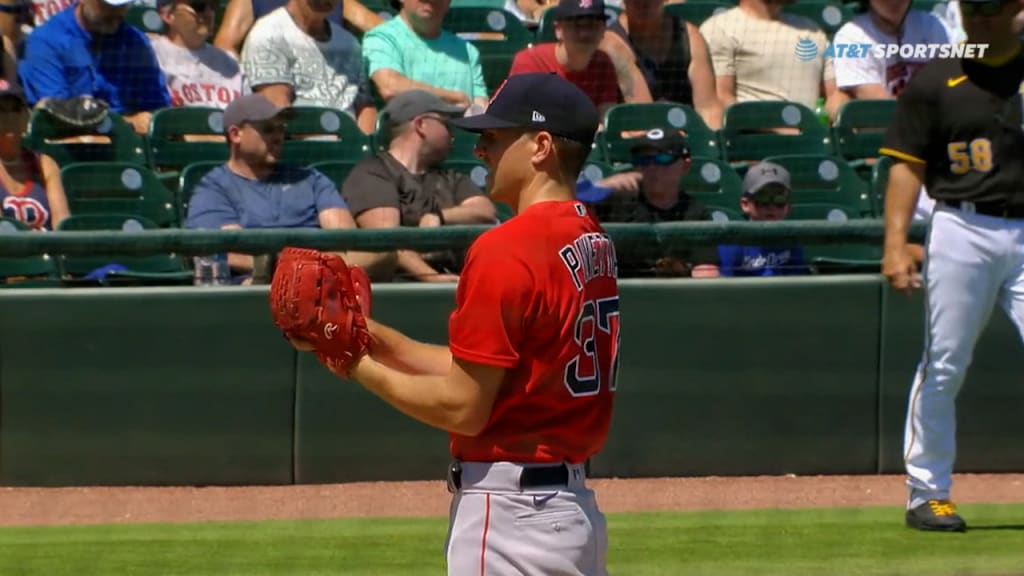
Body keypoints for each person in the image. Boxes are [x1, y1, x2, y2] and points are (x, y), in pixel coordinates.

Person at [291, 73, 617, 574]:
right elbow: (487, 367)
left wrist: (356, 364)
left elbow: (462, 406)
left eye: (493, 138)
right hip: (571, 513)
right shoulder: (592, 238)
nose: (481, 151)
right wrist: (367, 334)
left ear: (541, 146)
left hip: (511, 518)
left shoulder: (506, 247)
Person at [880, 0, 1024, 533]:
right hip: (963, 227)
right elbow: (906, 167)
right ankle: (927, 493)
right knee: (944, 363)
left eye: (993, 7)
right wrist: (895, 243)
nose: (981, 17)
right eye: (972, 7)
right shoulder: (937, 80)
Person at [186, 93, 393, 281]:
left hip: (321, 278)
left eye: (281, 129)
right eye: (267, 129)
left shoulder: (310, 179)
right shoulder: (213, 188)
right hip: (263, 287)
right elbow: (235, 254)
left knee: (385, 251)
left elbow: (345, 238)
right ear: (235, 134)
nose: (278, 137)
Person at [341, 89, 496, 283]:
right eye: (446, 124)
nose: (453, 134)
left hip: (457, 281)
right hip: (402, 290)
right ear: (421, 125)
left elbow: (485, 210)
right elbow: (388, 242)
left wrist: (438, 217)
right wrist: (433, 278)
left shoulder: (450, 177)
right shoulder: (373, 173)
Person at [582, 127, 721, 278]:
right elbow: (561, 207)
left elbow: (707, 273)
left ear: (685, 165)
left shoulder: (695, 213)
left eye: (663, 159)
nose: (652, 167)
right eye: (643, 160)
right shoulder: (617, 201)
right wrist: (601, 187)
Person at [17, 0, 171, 135]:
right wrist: (126, 123)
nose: (115, 12)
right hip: (71, 151)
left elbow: (156, 105)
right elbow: (57, 115)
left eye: (122, 5)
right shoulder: (47, 41)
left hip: (131, 149)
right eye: (105, 5)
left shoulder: (136, 42)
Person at [241, 0, 377, 133]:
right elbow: (278, 109)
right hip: (301, 148)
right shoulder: (269, 34)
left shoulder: (349, 44)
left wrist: (362, 144)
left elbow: (365, 106)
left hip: (351, 147)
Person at [508, 0, 619, 117]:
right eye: (577, 25)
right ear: (558, 30)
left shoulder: (603, 64)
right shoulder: (531, 62)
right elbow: (524, 121)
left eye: (592, 25)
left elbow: (606, 120)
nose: (584, 34)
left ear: (603, 30)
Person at [717, 161, 807, 276]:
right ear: (745, 204)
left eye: (779, 200)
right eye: (762, 199)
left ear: (788, 207)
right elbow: (725, 288)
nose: (771, 207)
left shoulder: (792, 242)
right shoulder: (733, 243)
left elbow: (797, 286)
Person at [0, 80, 69, 230]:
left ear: (26, 116)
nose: (9, 117)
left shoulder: (45, 164)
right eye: (1, 110)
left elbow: (62, 225)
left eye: (15, 109)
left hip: (48, 251)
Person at [151, 0, 246, 109]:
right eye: (199, 6)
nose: (209, 13)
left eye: (213, 6)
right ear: (168, 15)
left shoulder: (231, 63)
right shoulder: (149, 56)